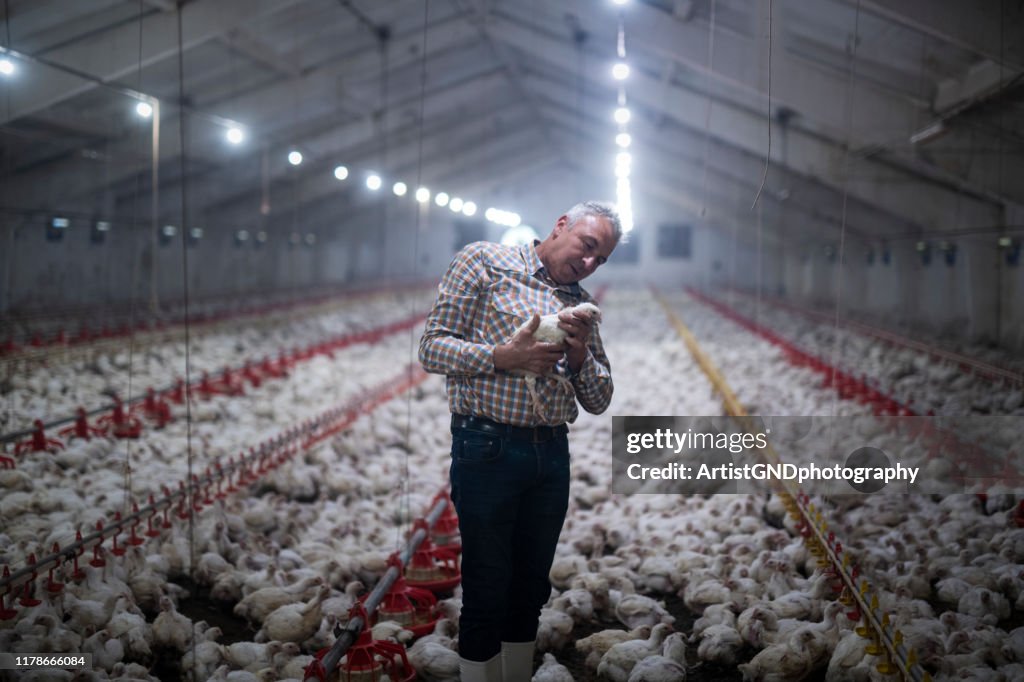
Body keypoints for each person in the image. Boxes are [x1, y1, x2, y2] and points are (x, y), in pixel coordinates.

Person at [418, 201, 621, 681]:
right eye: (587, 247)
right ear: (561, 225)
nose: (589, 263)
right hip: (487, 448)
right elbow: (432, 345)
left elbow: (600, 398)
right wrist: (501, 357)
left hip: (550, 454)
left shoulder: (581, 305)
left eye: (601, 260)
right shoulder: (484, 261)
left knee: (530, 589)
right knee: (488, 587)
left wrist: (578, 357)